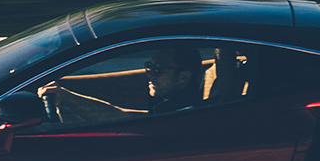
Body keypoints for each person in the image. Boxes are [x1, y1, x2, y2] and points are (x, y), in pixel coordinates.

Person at [39, 42, 206, 125]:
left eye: (158, 69)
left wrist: (67, 97)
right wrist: (65, 99)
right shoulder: (169, 103)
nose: (149, 74)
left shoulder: (184, 115)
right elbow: (125, 115)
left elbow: (124, 118)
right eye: (149, 66)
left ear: (183, 76)